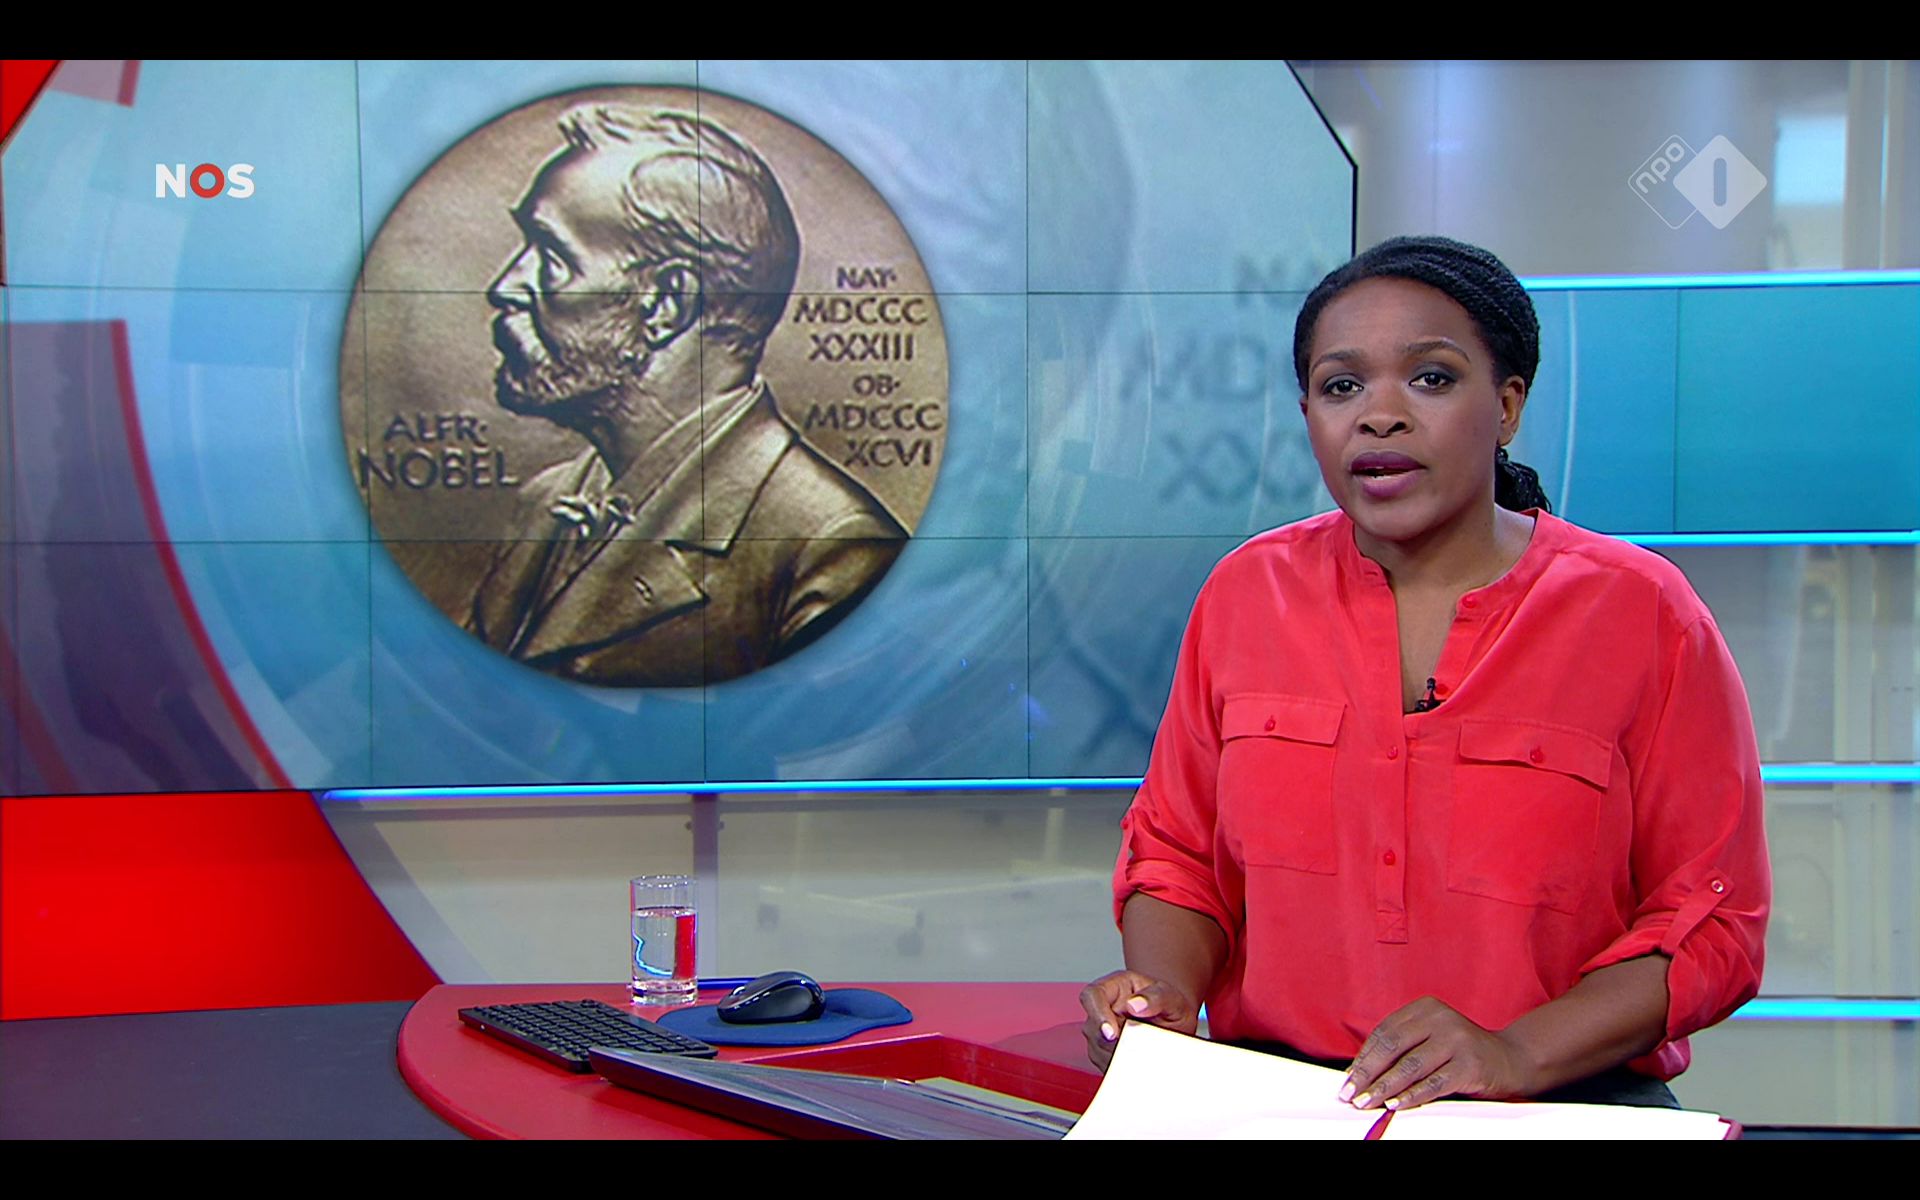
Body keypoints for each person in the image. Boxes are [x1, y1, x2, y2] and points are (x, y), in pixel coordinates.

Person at [1080, 235, 1771, 1112]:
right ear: (1307, 415)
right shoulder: (1246, 593)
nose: (1380, 415)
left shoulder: (1643, 611)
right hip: (1283, 1101)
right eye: (1342, 386)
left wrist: (1515, 1052)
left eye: (1431, 378)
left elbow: (1712, 921)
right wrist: (1164, 997)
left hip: (1558, 1100)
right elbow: (1178, 859)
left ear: (1508, 405)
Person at [467, 105, 906, 688]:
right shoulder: (543, 504)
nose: (505, 287)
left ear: (666, 303)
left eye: (552, 258)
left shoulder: (834, 551)